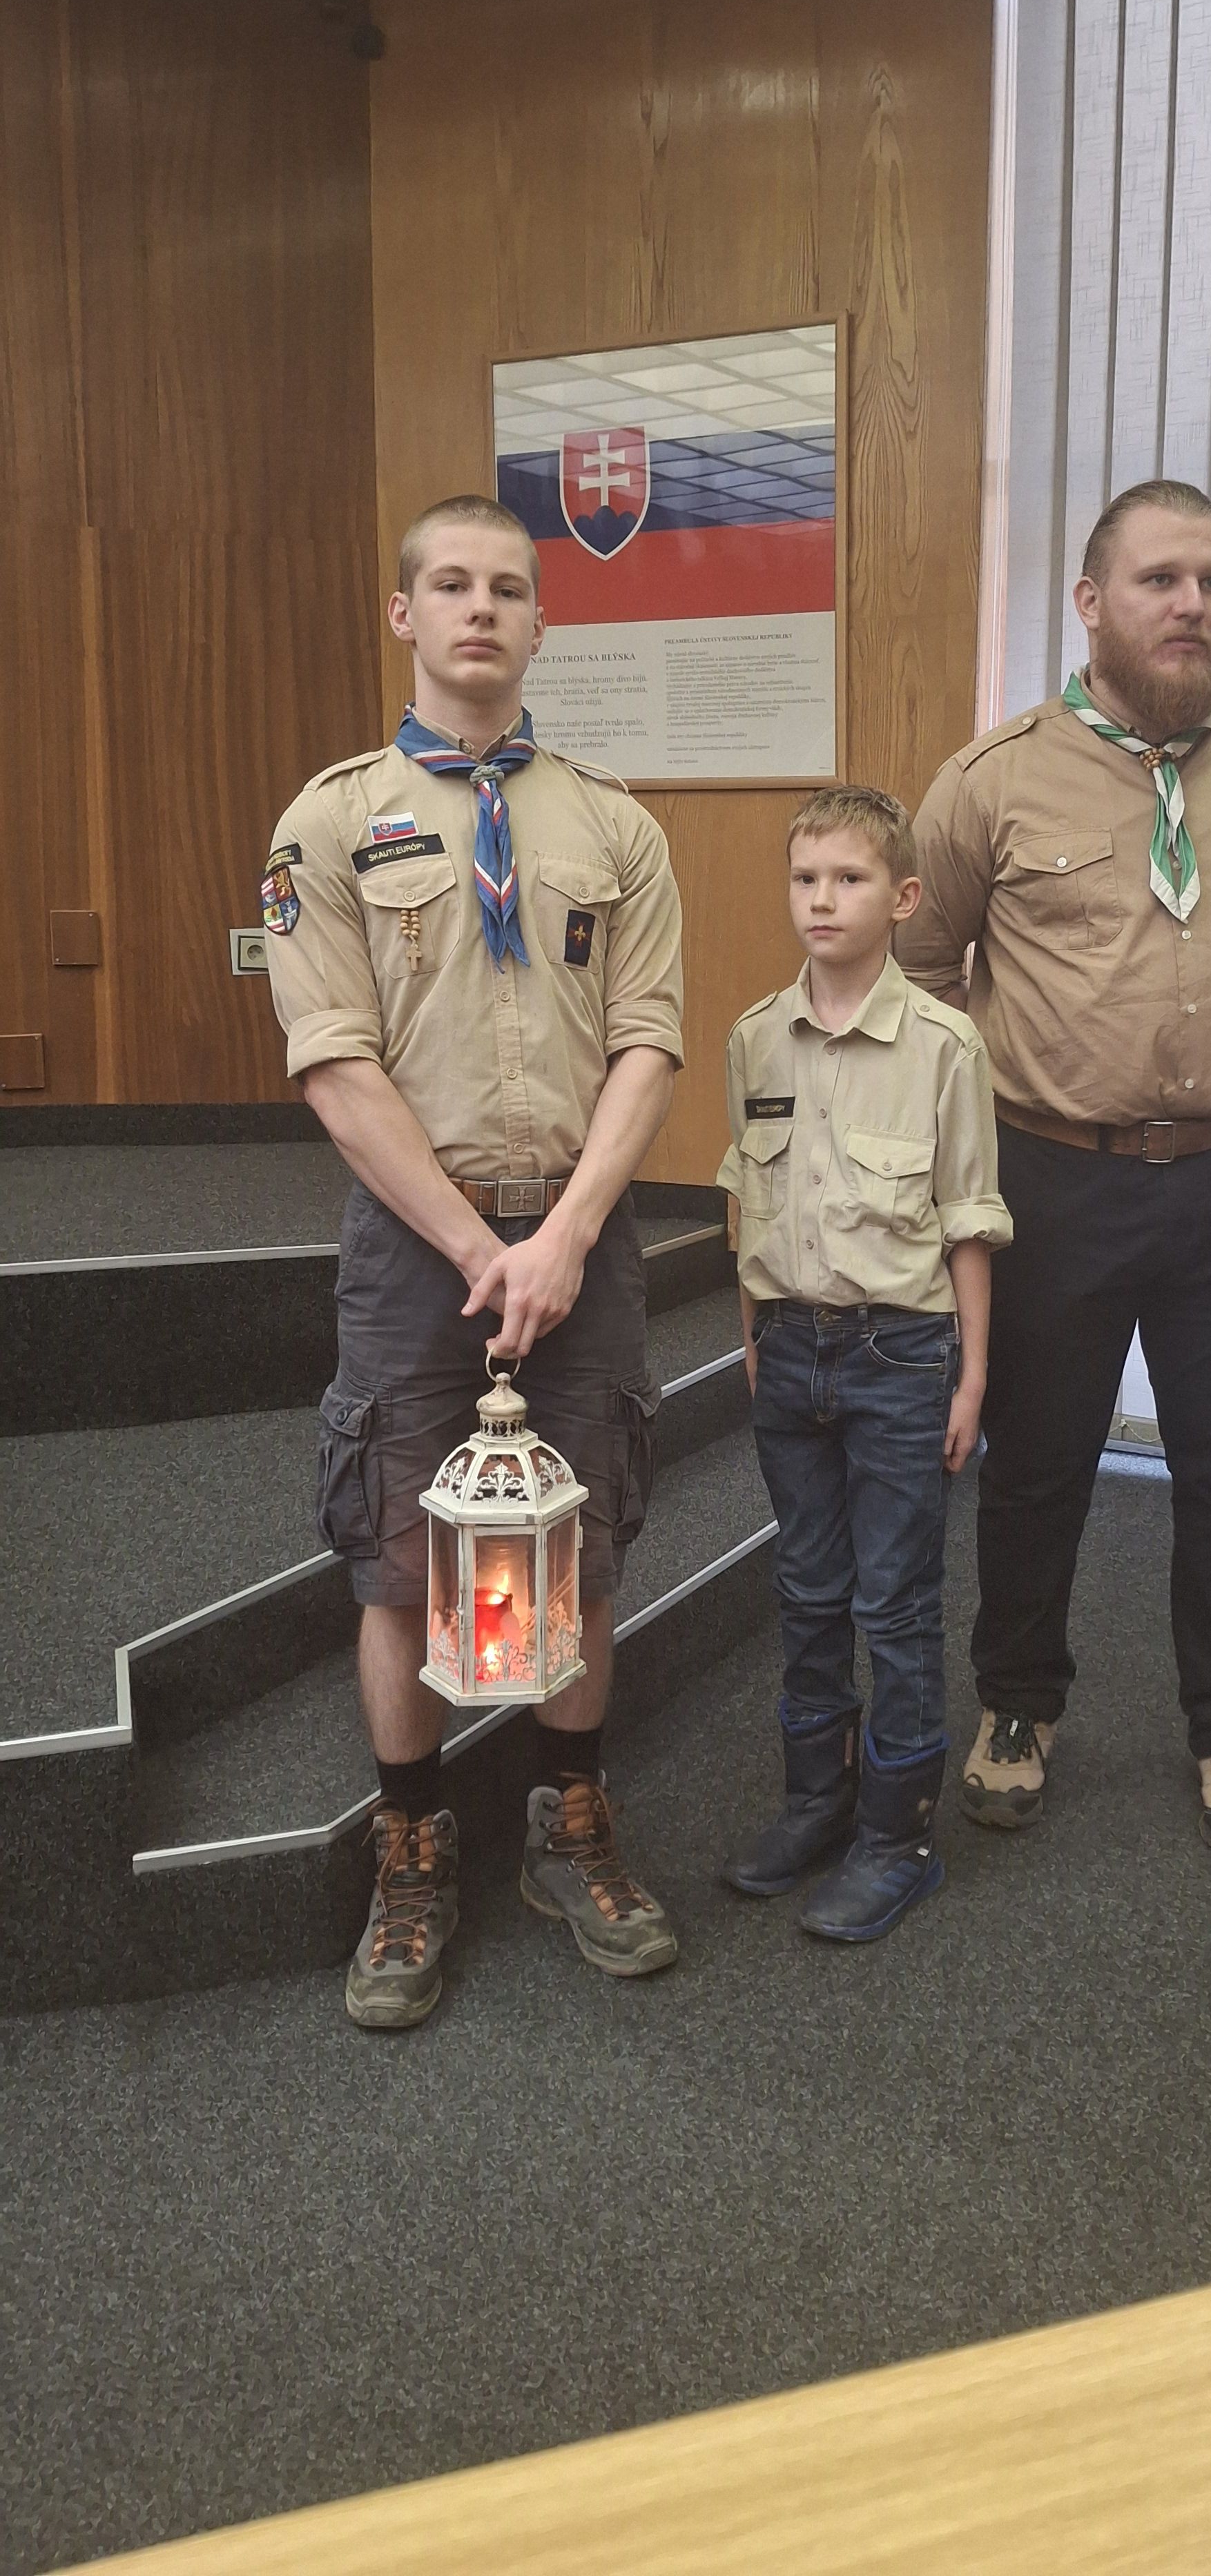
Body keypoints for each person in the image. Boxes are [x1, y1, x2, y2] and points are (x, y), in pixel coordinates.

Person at [896, 479, 1211, 1855]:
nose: (1192, 605)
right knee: (1036, 1465)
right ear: (1091, 604)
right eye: (1161, 580)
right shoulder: (989, 782)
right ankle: (1017, 1705)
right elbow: (920, 977)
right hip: (1054, 1180)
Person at [263, 493, 685, 2028]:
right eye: (450, 585)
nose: (481, 609)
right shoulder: (326, 823)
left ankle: (567, 1829)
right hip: (412, 1244)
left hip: (580, 1231)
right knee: (395, 1549)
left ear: (540, 622)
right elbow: (335, 1063)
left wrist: (560, 1236)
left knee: (583, 1537)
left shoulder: (614, 826)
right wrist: (474, 1245)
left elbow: (648, 1045)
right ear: (404, 614)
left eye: (508, 587)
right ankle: (413, 1850)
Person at [717, 787, 1011, 1941]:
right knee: (805, 1592)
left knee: (894, 1602)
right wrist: (752, 1338)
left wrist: (971, 1377)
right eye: (805, 879)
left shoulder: (944, 1045)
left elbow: (969, 1221)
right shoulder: (756, 1038)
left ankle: (898, 1836)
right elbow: (747, 1204)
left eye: (848, 879)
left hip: (902, 1356)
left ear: (902, 898)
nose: (822, 900)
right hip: (790, 1349)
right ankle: (817, 1802)